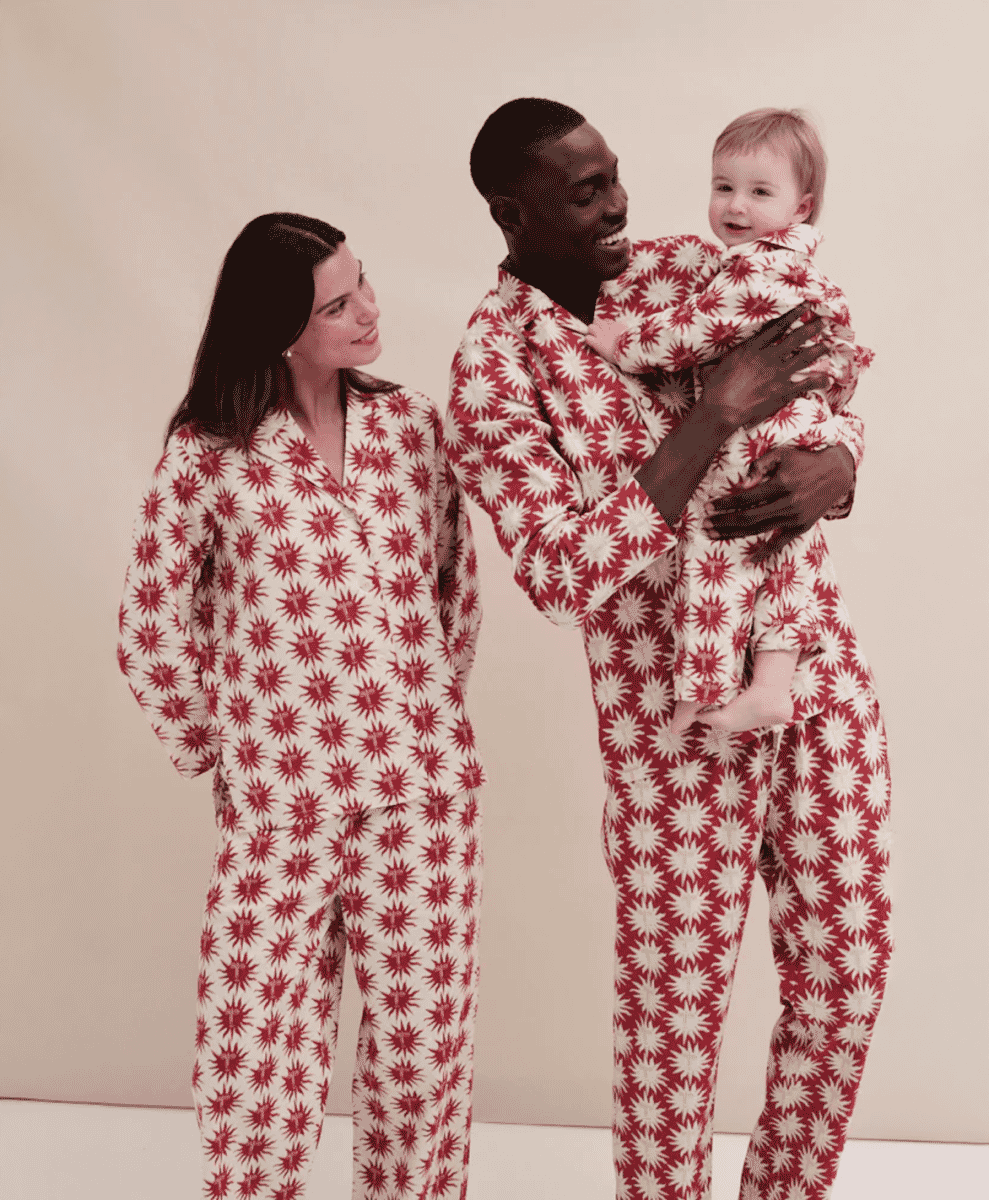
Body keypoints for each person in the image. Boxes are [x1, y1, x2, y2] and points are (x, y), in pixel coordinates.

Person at [446, 99, 891, 1200]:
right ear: (510, 212)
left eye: (613, 177)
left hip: (810, 670)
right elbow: (556, 572)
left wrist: (839, 463)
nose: (616, 205)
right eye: (582, 191)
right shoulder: (491, 368)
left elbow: (827, 366)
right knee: (672, 1027)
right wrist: (709, 419)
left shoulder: (688, 265)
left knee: (847, 976)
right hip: (670, 720)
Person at [117, 213, 485, 1200]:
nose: (369, 310)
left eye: (363, 284)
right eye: (337, 304)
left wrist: (420, 718)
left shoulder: (411, 426)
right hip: (281, 806)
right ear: (280, 327)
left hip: (418, 798)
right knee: (254, 1064)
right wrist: (228, 753)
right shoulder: (210, 452)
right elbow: (152, 623)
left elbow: (453, 590)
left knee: (421, 1064)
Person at [584, 107, 875, 735]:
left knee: (722, 547)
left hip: (766, 435)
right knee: (780, 557)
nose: (735, 206)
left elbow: (691, 335)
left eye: (759, 191)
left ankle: (709, 687)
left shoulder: (755, 267)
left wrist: (621, 344)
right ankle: (763, 684)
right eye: (723, 186)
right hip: (797, 426)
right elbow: (846, 358)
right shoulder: (793, 267)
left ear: (802, 206)